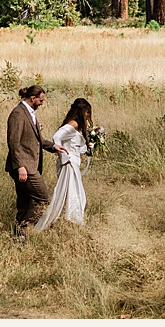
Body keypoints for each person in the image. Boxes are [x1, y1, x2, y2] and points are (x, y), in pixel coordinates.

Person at [33, 98, 102, 231]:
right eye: (87, 112)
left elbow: (74, 145)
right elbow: (57, 137)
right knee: (73, 194)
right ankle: (72, 222)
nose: (88, 116)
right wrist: (65, 157)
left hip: (73, 163)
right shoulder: (73, 124)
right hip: (69, 164)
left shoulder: (76, 125)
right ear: (82, 112)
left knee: (75, 193)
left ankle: (69, 223)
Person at [7, 83, 59, 239]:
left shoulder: (30, 113)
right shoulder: (18, 114)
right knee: (43, 199)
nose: (42, 104)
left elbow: (38, 140)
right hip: (25, 168)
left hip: (30, 166)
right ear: (33, 98)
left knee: (25, 201)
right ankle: (23, 231)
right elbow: (13, 142)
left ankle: (18, 236)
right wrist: (20, 166)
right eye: (41, 100)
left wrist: (55, 147)